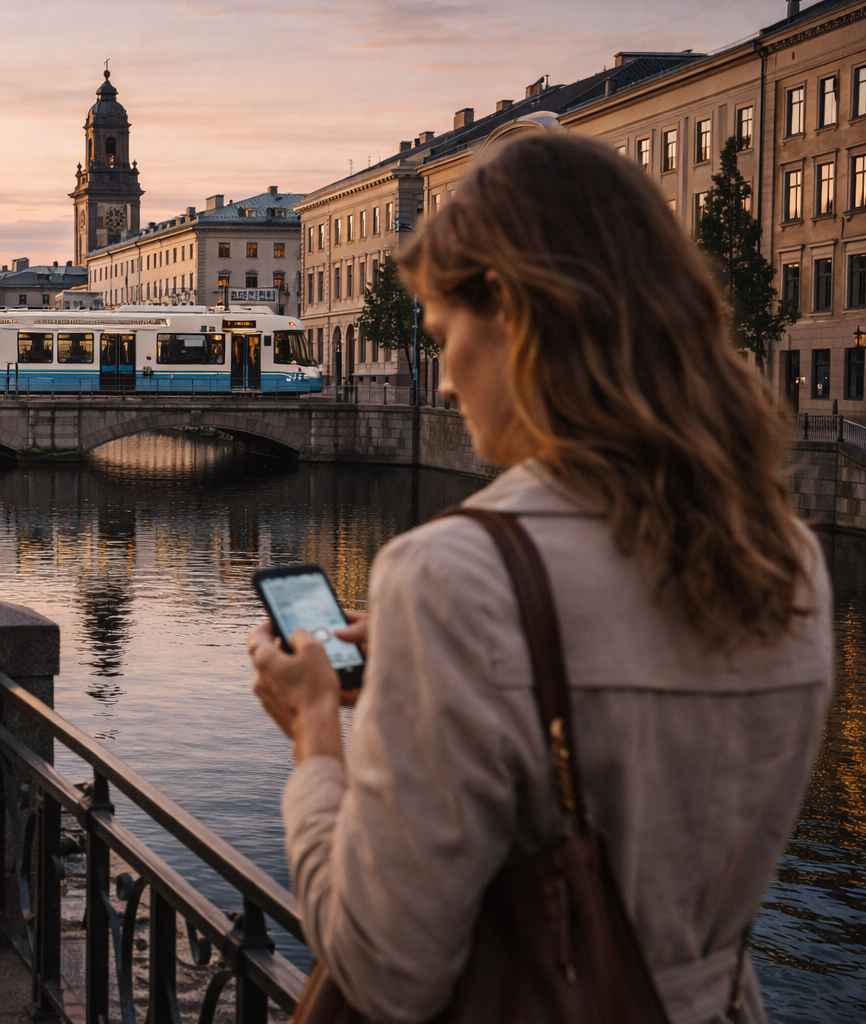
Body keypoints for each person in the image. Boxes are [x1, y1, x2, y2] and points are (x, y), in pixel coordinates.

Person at [249, 132, 833, 1024]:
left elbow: (383, 967)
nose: (441, 383)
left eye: (444, 335)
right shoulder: (786, 557)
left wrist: (317, 726)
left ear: (513, 311)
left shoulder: (449, 574)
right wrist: (423, 664)